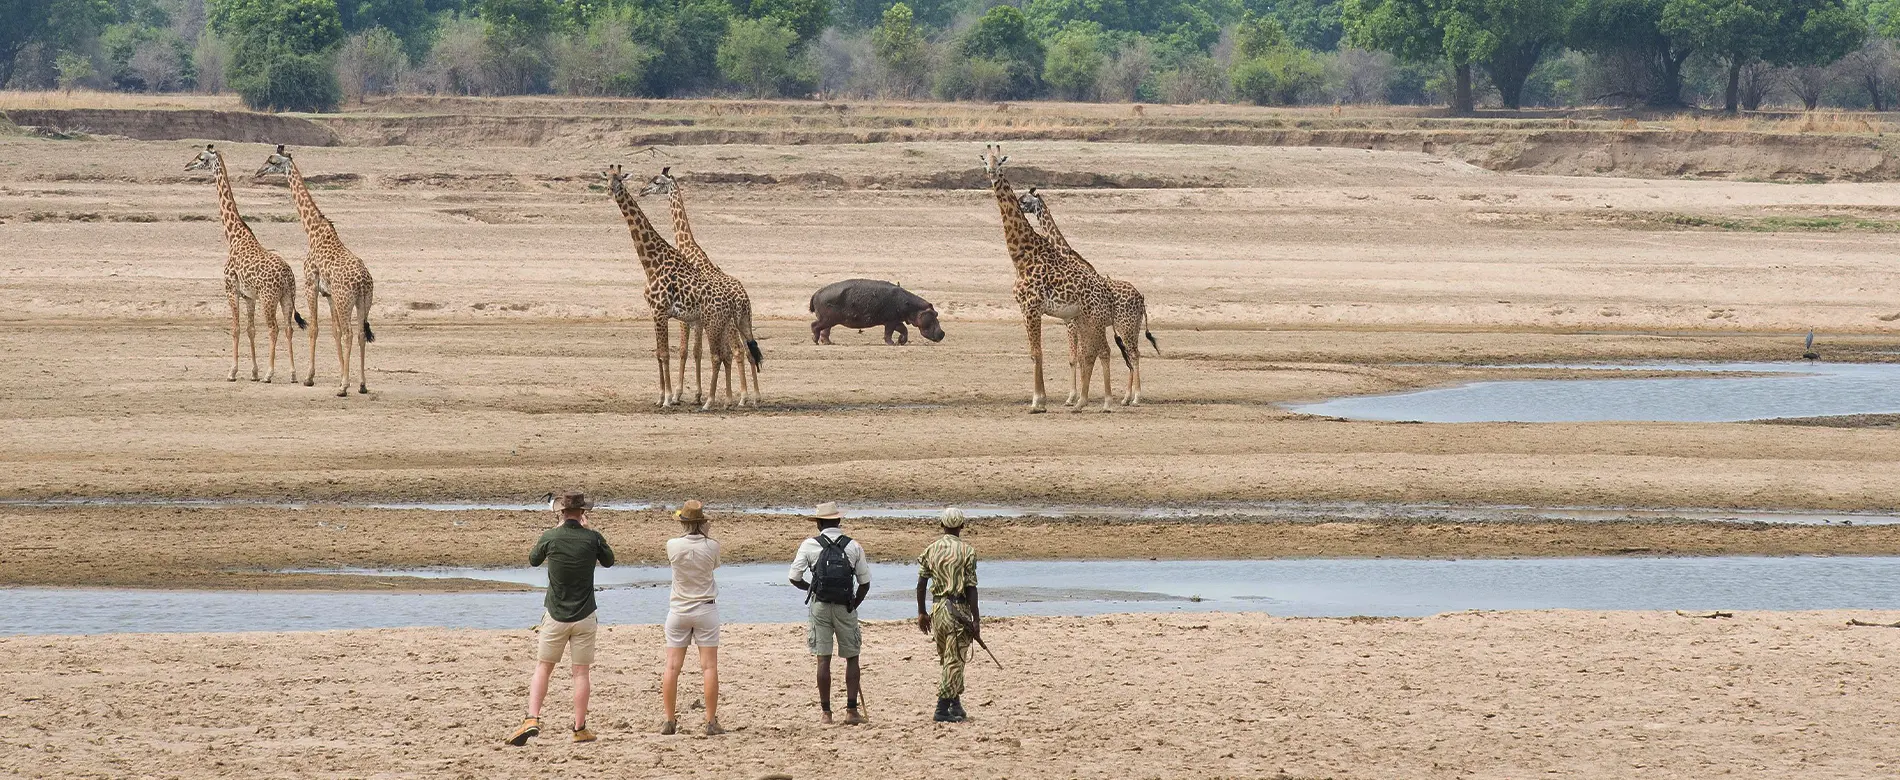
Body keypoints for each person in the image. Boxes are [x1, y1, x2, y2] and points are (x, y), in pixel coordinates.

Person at [508, 491, 615, 746]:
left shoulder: (550, 537)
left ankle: (532, 718)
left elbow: (533, 560)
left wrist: (556, 532)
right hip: (585, 614)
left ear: (561, 512)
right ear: (582, 513)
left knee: (543, 667)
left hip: (555, 614)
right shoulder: (592, 538)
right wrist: (590, 531)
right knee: (581, 673)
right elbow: (609, 561)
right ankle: (579, 727)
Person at [788, 501, 872, 725]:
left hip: (820, 606)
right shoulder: (853, 546)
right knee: (852, 657)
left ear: (818, 524)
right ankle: (851, 711)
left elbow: (793, 577)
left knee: (823, 659)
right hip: (845, 605)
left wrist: (812, 589)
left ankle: (826, 713)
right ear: (838, 521)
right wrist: (854, 603)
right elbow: (865, 582)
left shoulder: (809, 545)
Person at [660, 500, 725, 736]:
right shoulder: (713, 546)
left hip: (678, 609)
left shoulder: (673, 545)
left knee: (672, 666)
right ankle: (710, 721)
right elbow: (713, 566)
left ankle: (669, 720)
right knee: (709, 667)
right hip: (706, 609)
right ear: (702, 523)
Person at [916, 507, 979, 723]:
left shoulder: (931, 550)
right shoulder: (967, 551)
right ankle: (942, 708)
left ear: (942, 526)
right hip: (957, 610)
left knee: (947, 657)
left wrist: (922, 612)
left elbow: (921, 584)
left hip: (938, 610)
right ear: (961, 526)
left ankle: (955, 704)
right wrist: (976, 619)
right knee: (955, 659)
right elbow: (971, 587)